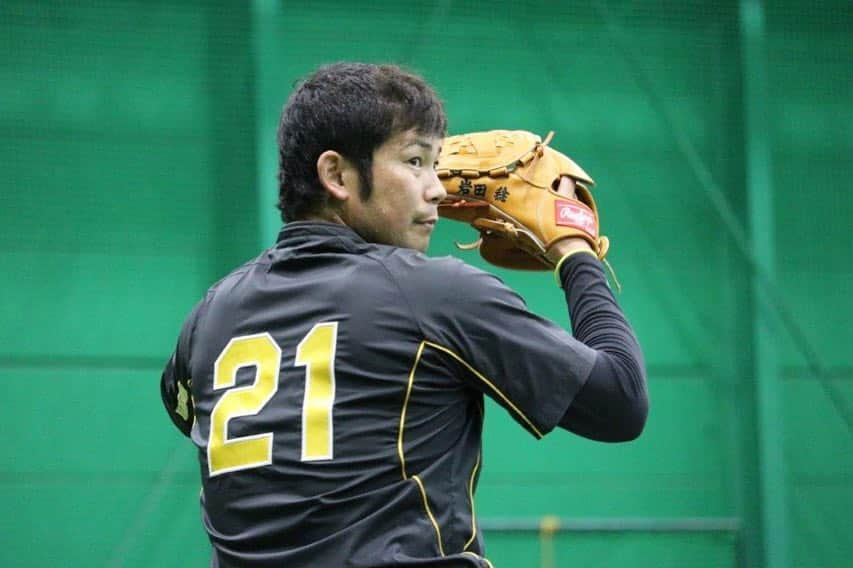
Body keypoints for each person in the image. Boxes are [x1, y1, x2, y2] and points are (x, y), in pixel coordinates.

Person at [160, 61, 648, 568]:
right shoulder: (435, 293)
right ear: (336, 175)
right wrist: (576, 250)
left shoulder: (210, 315)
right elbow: (621, 400)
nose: (438, 187)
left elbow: (190, 413)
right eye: (416, 162)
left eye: (435, 164)